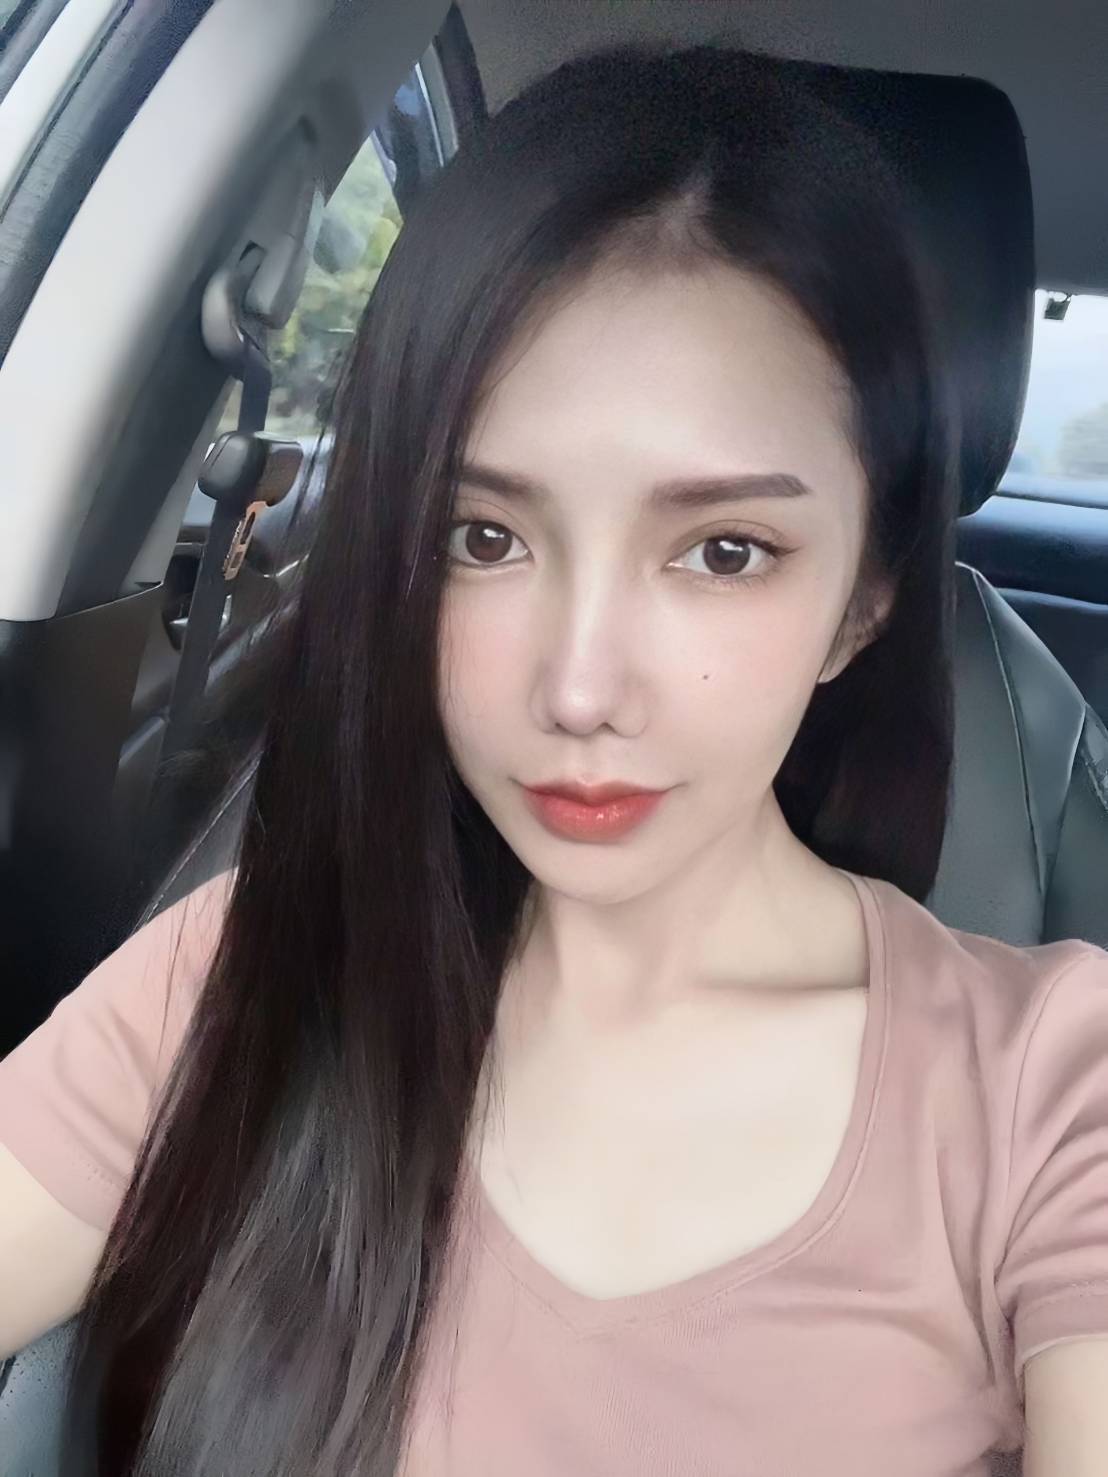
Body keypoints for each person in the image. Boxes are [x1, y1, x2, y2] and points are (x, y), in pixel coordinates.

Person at [1, 42, 1107, 1477]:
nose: (580, 691)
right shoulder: (247, 974)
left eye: (724, 551)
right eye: (484, 538)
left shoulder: (1049, 1091)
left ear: (863, 600)